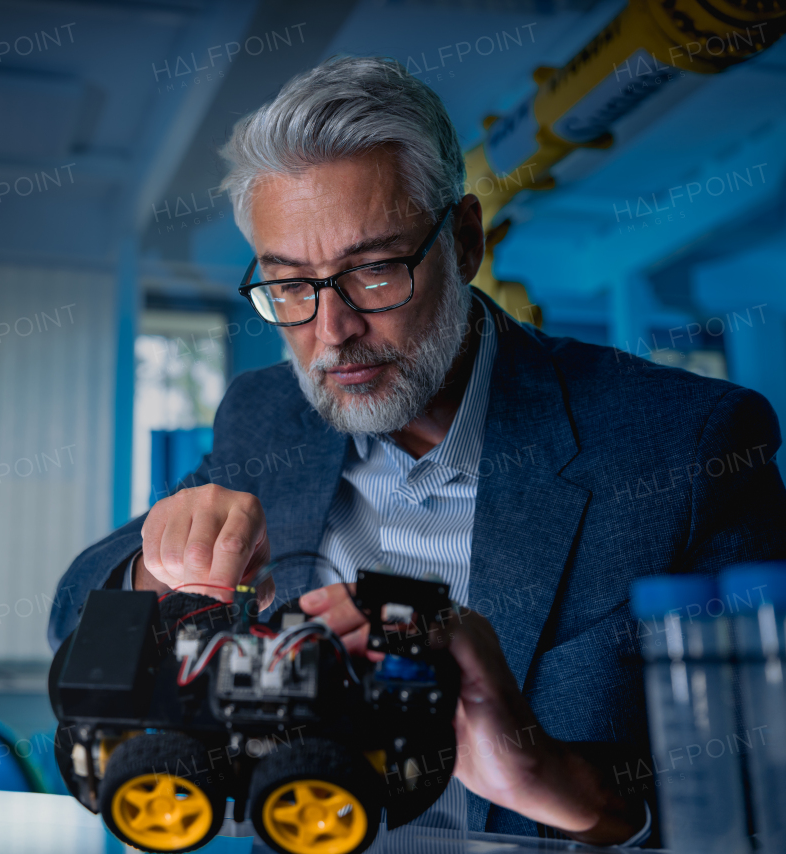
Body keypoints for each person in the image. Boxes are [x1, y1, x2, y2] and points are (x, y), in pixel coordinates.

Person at [47, 56, 786, 844]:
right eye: (291, 285)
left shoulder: (686, 445)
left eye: (372, 271)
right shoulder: (264, 416)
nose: (332, 333)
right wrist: (162, 566)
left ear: (464, 242)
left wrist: (576, 794)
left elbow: (764, 794)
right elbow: (72, 612)